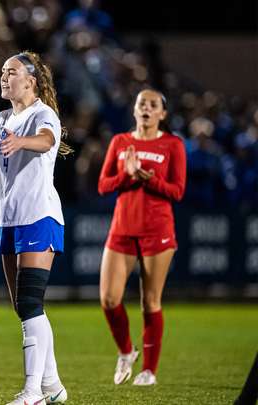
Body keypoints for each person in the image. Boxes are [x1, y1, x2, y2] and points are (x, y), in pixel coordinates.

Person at [0, 52, 71, 404]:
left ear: (31, 81)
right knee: (24, 307)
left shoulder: (43, 114)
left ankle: (33, 392)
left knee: (29, 302)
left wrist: (21, 142)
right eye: (3, 72)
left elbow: (46, 140)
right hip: (10, 221)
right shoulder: (4, 118)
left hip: (40, 216)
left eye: (12, 72)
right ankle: (52, 385)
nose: (3, 78)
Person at [97, 88, 186, 386]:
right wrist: (128, 175)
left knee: (150, 301)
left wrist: (151, 180)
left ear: (162, 113)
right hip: (122, 228)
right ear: (134, 110)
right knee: (109, 299)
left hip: (157, 230)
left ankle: (149, 370)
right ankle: (126, 351)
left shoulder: (172, 144)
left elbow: (177, 190)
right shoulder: (120, 141)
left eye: (153, 105)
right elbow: (103, 185)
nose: (146, 108)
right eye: (141, 104)